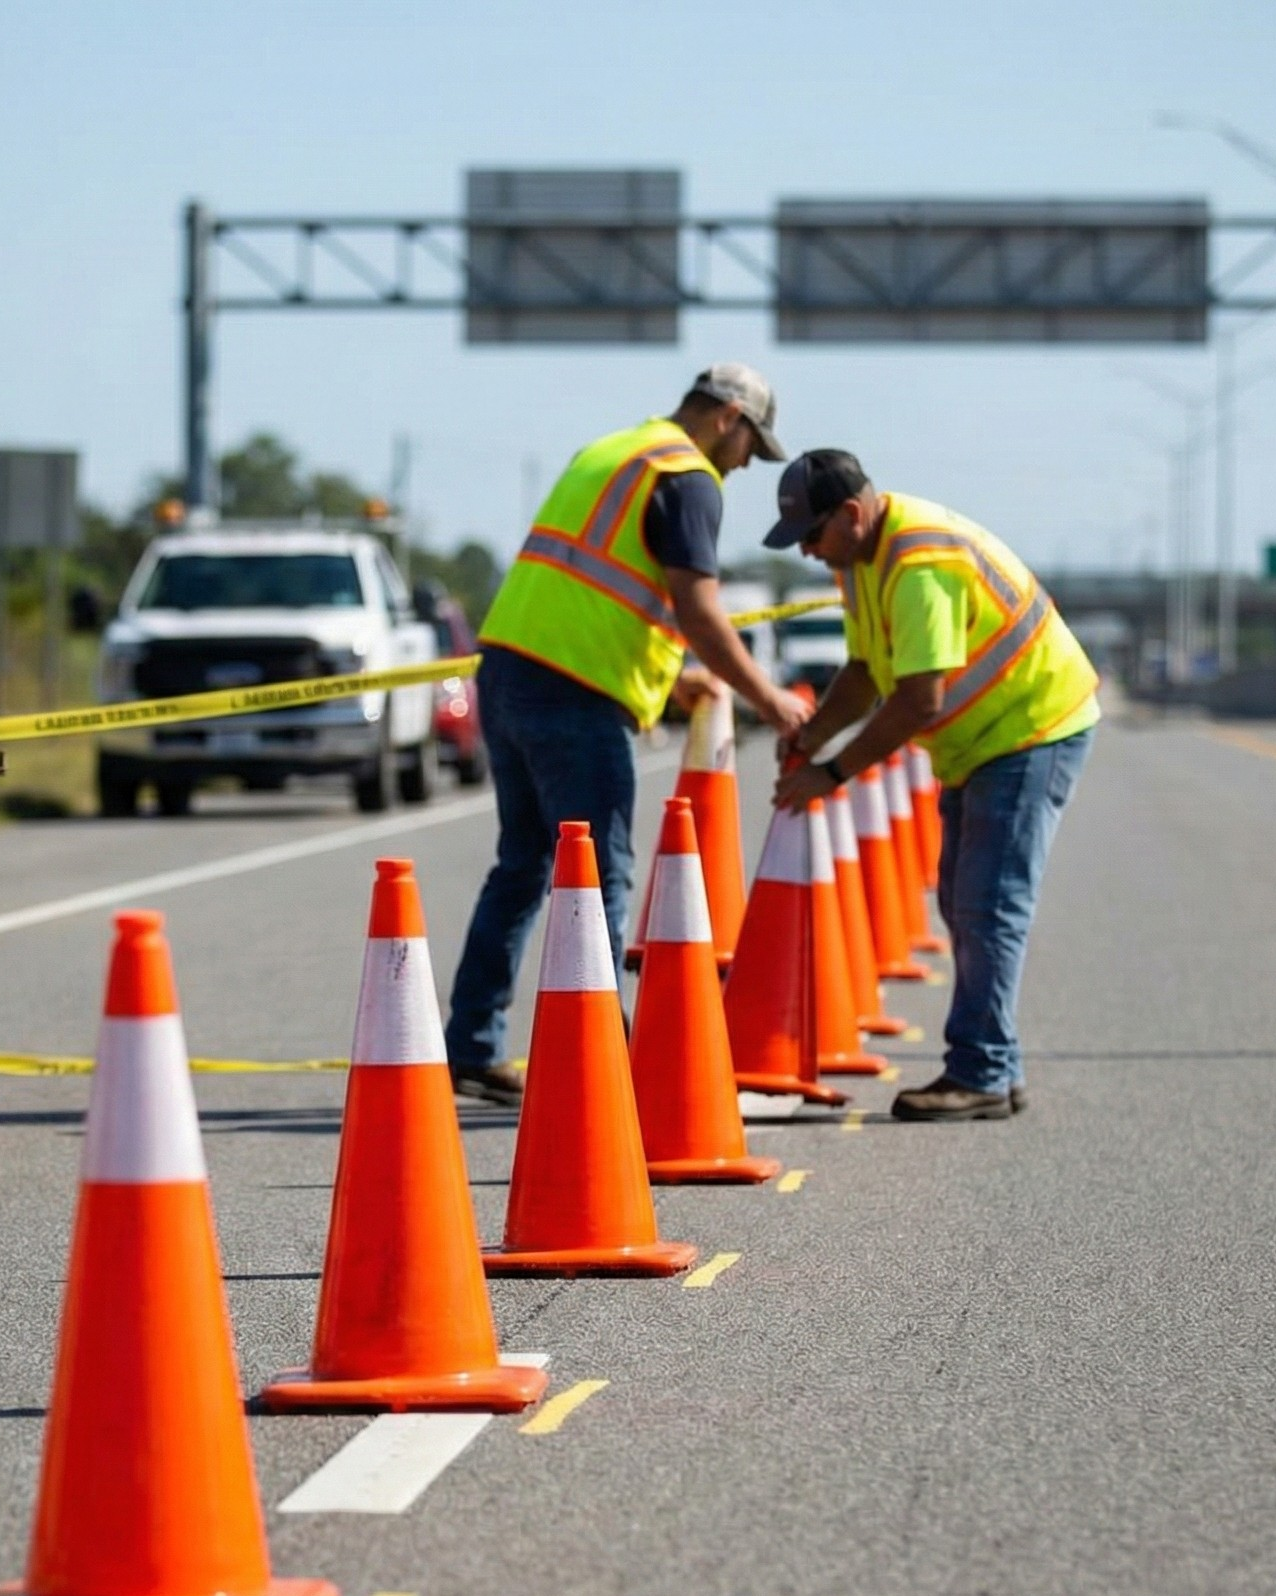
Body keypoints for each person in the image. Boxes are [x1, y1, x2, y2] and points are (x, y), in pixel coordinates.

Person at [445, 366, 812, 1105]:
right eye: (749, 446)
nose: (744, 464)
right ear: (727, 417)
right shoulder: (688, 477)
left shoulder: (610, 451)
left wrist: (672, 681)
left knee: (522, 866)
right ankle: (596, 1058)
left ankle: (474, 1046)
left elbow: (592, 591)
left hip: (509, 671)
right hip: (574, 698)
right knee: (599, 874)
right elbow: (700, 612)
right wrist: (768, 699)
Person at [765, 450, 1098, 1122]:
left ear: (853, 515)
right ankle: (996, 1064)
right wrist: (812, 735)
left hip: (1032, 726)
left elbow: (917, 700)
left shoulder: (920, 564)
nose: (805, 551)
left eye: (811, 534)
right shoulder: (859, 563)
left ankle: (978, 1071)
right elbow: (863, 671)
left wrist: (830, 773)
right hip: (979, 742)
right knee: (961, 899)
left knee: (988, 903)